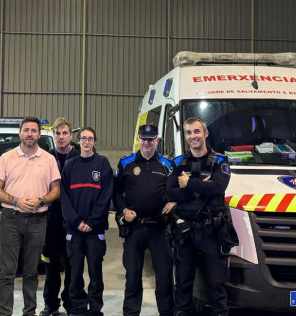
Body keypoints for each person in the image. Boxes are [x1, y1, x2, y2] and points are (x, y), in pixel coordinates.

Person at [0, 116, 61, 316]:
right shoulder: (6, 158)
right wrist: (16, 201)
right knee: (7, 273)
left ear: (39, 134)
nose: (29, 134)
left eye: (33, 130)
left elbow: (56, 190)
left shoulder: (48, 159)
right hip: (11, 219)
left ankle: (29, 312)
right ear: (20, 133)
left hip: (38, 220)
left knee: (31, 272)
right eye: (26, 130)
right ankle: (5, 312)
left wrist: (40, 201)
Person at [167, 117, 232, 316]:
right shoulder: (178, 162)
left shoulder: (220, 161)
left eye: (196, 131)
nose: (193, 136)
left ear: (205, 133)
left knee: (216, 284)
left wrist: (188, 183)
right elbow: (170, 193)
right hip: (185, 233)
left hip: (211, 234)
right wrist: (200, 188)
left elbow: (219, 187)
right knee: (183, 283)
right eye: (188, 133)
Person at [113, 124, 175, 316]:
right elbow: (115, 193)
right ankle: (131, 313)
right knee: (132, 275)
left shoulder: (167, 164)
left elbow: (177, 189)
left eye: (151, 138)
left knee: (164, 277)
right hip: (135, 229)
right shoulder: (126, 163)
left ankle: (166, 312)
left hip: (160, 229)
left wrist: (174, 202)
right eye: (144, 138)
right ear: (138, 139)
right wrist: (123, 210)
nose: (147, 142)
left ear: (157, 140)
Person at [60, 127, 114, 316]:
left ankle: (95, 308)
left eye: (90, 138)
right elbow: (64, 197)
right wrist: (75, 221)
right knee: (75, 273)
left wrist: (91, 221)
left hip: (95, 230)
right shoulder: (70, 165)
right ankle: (78, 308)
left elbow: (106, 196)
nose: (87, 141)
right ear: (79, 141)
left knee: (95, 272)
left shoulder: (102, 163)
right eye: (83, 138)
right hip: (74, 231)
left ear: (95, 142)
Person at [41, 118, 80, 316]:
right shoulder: (46, 158)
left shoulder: (80, 157)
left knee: (73, 263)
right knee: (51, 263)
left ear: (70, 136)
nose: (61, 137)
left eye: (65, 133)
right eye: (57, 133)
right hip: (52, 219)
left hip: (73, 219)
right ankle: (51, 303)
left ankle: (72, 303)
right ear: (53, 135)